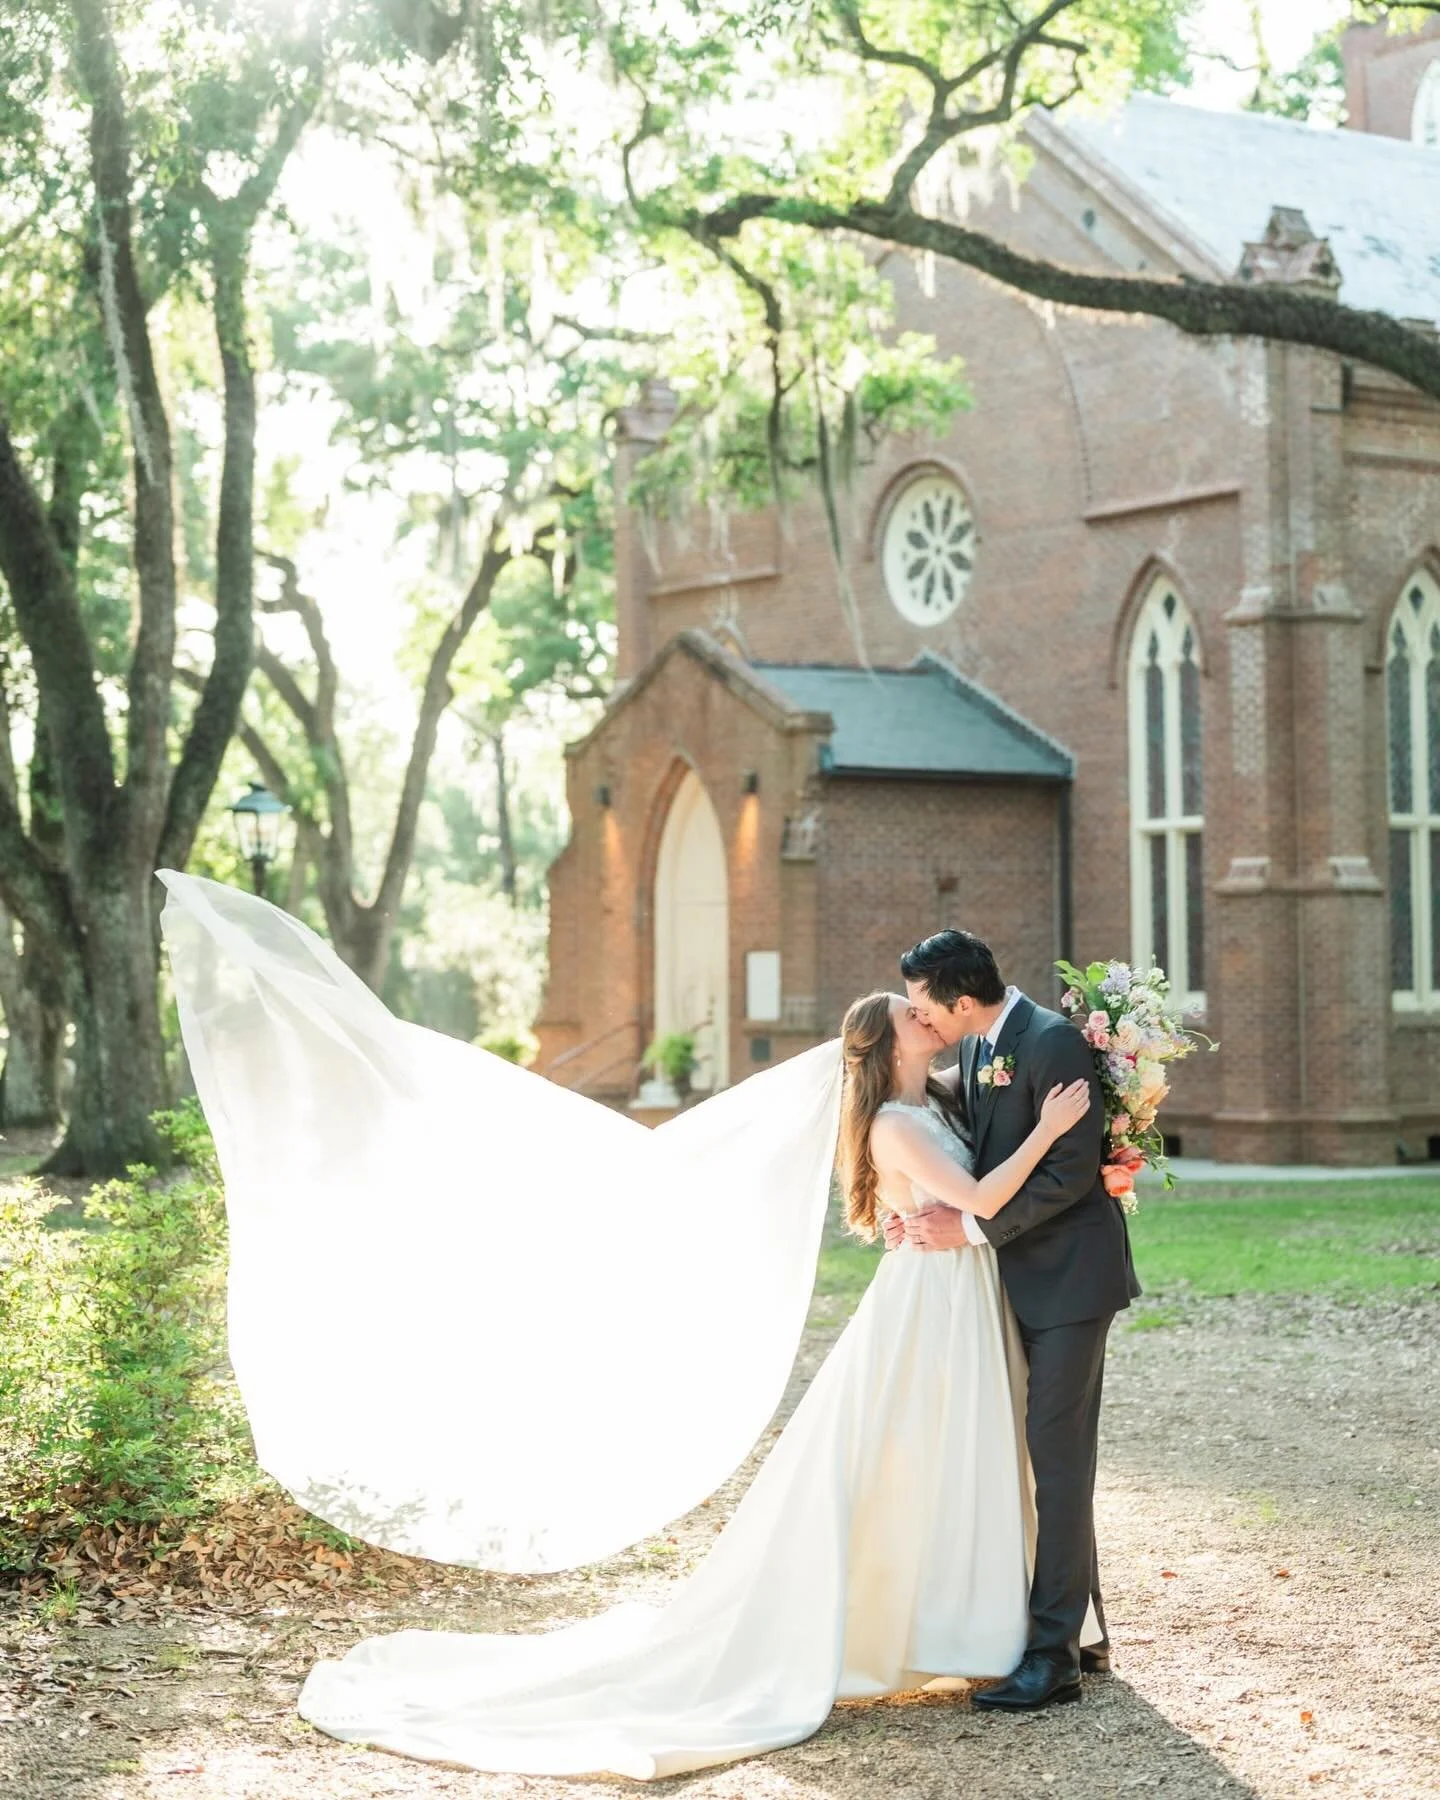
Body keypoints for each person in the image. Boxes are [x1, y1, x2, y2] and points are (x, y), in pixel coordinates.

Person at [894, 927, 1141, 1712]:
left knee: (1057, 1464)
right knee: (1041, 1460)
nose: (920, 1016)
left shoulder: (1051, 1041)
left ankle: (1052, 1658)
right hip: (1011, 1284)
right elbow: (972, 1151)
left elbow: (1068, 1176)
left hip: (1071, 1284)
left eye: (925, 1004)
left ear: (963, 1001)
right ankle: (1086, 1635)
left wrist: (967, 1230)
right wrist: (914, 1208)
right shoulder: (973, 1045)